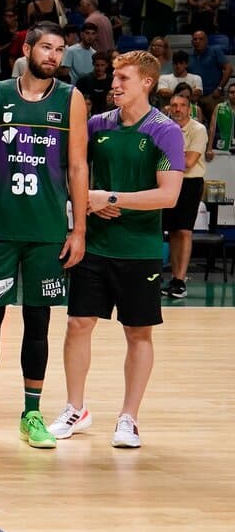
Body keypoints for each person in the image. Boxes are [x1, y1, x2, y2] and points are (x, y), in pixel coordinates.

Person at [0, 22, 89, 450]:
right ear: (27, 50)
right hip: (1, 228)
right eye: (46, 47)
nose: (54, 56)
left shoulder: (72, 99)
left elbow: (78, 168)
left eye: (60, 50)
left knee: (38, 321)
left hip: (47, 230)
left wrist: (78, 228)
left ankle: (32, 413)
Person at [56, 50, 185, 447]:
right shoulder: (97, 125)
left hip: (140, 248)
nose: (114, 84)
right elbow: (70, 175)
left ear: (147, 82)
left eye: (123, 78)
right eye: (113, 77)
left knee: (138, 333)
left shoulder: (165, 131)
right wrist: (79, 206)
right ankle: (76, 408)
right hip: (94, 244)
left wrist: (110, 198)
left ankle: (128, 417)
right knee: (78, 324)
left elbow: (169, 196)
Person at [162, 91, 208, 299]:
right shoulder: (164, 128)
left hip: (190, 183)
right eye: (174, 105)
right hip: (168, 181)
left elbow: (188, 163)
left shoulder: (198, 129)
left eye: (182, 105)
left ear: (189, 109)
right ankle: (172, 278)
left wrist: (167, 156)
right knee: (171, 231)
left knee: (184, 231)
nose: (177, 109)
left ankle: (181, 280)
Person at [206, 82, 235, 159]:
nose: (234, 94)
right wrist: (209, 148)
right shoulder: (219, 107)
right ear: (227, 94)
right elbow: (212, 128)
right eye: (232, 92)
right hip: (220, 148)